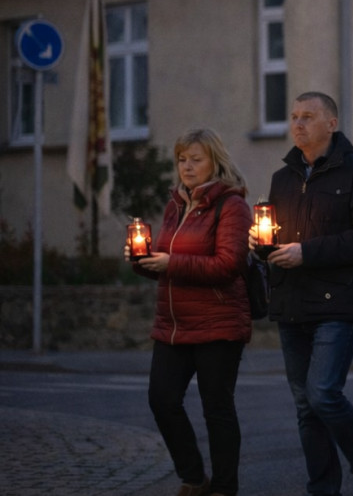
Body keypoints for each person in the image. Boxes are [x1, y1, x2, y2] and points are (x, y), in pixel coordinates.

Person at [261, 92, 353, 496]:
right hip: (292, 300)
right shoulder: (283, 178)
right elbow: (274, 234)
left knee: (323, 394)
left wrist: (307, 253)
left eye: (308, 117)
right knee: (305, 406)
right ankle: (323, 487)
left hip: (340, 300)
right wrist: (261, 244)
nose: (297, 124)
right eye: (294, 116)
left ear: (331, 123)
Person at [131, 128, 252, 496]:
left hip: (218, 321)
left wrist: (170, 263)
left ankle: (224, 488)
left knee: (217, 409)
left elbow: (228, 265)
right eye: (182, 159)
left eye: (195, 159)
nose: (187, 166)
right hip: (173, 324)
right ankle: (194, 477)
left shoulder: (232, 205)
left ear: (215, 161)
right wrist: (142, 261)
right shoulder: (176, 204)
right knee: (162, 400)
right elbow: (166, 261)